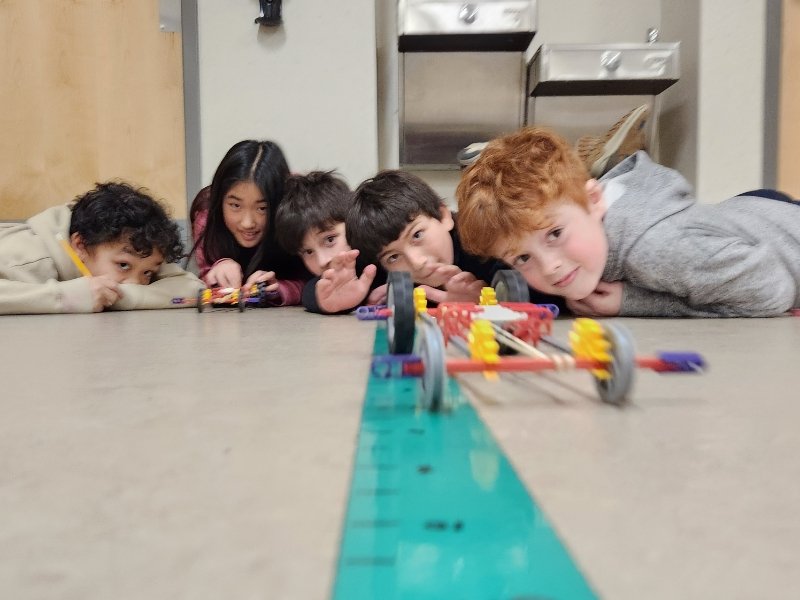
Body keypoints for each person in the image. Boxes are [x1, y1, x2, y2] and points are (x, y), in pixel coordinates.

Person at [455, 127, 800, 318]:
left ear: (594, 199)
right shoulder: (603, 215)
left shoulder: (654, 247)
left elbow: (772, 290)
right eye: (522, 259)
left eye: (555, 234)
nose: (550, 267)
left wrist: (632, 302)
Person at [346, 169, 566, 308]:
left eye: (417, 235)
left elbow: (553, 290)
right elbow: (319, 283)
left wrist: (487, 303)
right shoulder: (379, 268)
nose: (416, 262)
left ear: (443, 217)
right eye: (393, 257)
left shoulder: (483, 243)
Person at [0, 181, 202, 315]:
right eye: (123, 265)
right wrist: (67, 296)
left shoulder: (137, 250)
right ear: (80, 245)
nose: (136, 282)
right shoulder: (28, 258)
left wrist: (124, 297)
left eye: (148, 272)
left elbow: (193, 289)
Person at [189, 140, 307, 306]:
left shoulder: (297, 209)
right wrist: (217, 269)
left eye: (262, 208)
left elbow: (314, 280)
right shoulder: (207, 214)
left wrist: (279, 289)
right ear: (220, 200)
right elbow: (206, 278)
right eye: (235, 205)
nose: (247, 223)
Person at [275, 170, 386, 314]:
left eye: (330, 239)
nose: (322, 261)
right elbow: (310, 291)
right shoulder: (320, 280)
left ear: (353, 222)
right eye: (308, 252)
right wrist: (325, 302)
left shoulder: (380, 252)